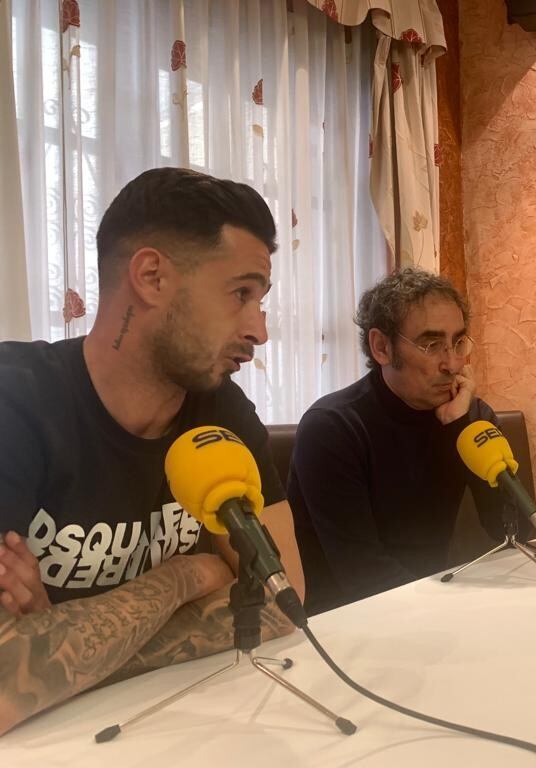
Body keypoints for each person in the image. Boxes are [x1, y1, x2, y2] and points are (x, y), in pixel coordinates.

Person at [0, 168, 305, 735]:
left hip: (192, 728)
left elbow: (282, 602)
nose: (259, 330)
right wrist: (186, 577)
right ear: (151, 276)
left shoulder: (225, 414)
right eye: (241, 293)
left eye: (260, 300)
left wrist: (59, 643)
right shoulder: (14, 402)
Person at [289, 268, 506, 613]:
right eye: (432, 344)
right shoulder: (332, 427)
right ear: (381, 347)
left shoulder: (470, 417)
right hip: (343, 621)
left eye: (458, 343)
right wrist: (452, 613)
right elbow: (362, 573)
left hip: (429, 604)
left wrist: (460, 426)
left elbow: (512, 528)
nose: (452, 364)